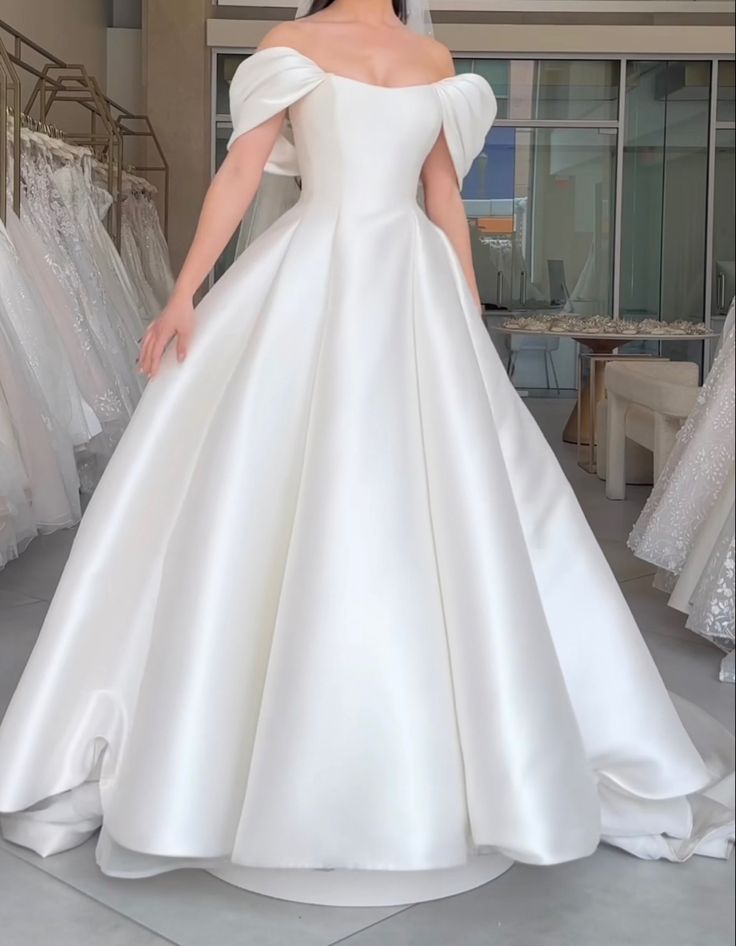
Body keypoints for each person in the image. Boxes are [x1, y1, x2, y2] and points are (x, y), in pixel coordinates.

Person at [0, 0, 733, 908]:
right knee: (274, 486)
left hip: (412, 289)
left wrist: (466, 320)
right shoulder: (292, 48)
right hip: (311, 275)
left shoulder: (431, 58)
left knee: (440, 503)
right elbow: (240, 169)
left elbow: (442, 196)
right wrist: (184, 292)